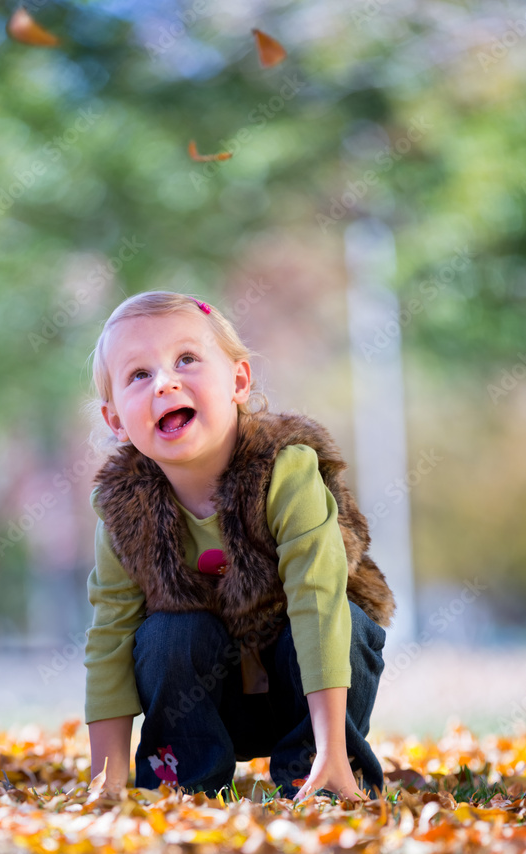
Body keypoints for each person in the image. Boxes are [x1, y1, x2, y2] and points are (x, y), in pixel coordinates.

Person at [80, 290, 395, 805]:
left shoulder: (284, 473)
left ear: (239, 382)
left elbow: (317, 599)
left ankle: (323, 771)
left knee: (349, 620)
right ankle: (182, 782)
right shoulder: (122, 510)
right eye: (139, 375)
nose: (166, 381)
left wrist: (330, 745)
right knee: (167, 635)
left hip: (310, 689)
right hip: (202, 703)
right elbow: (110, 637)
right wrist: (105, 781)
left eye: (186, 359)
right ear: (116, 421)